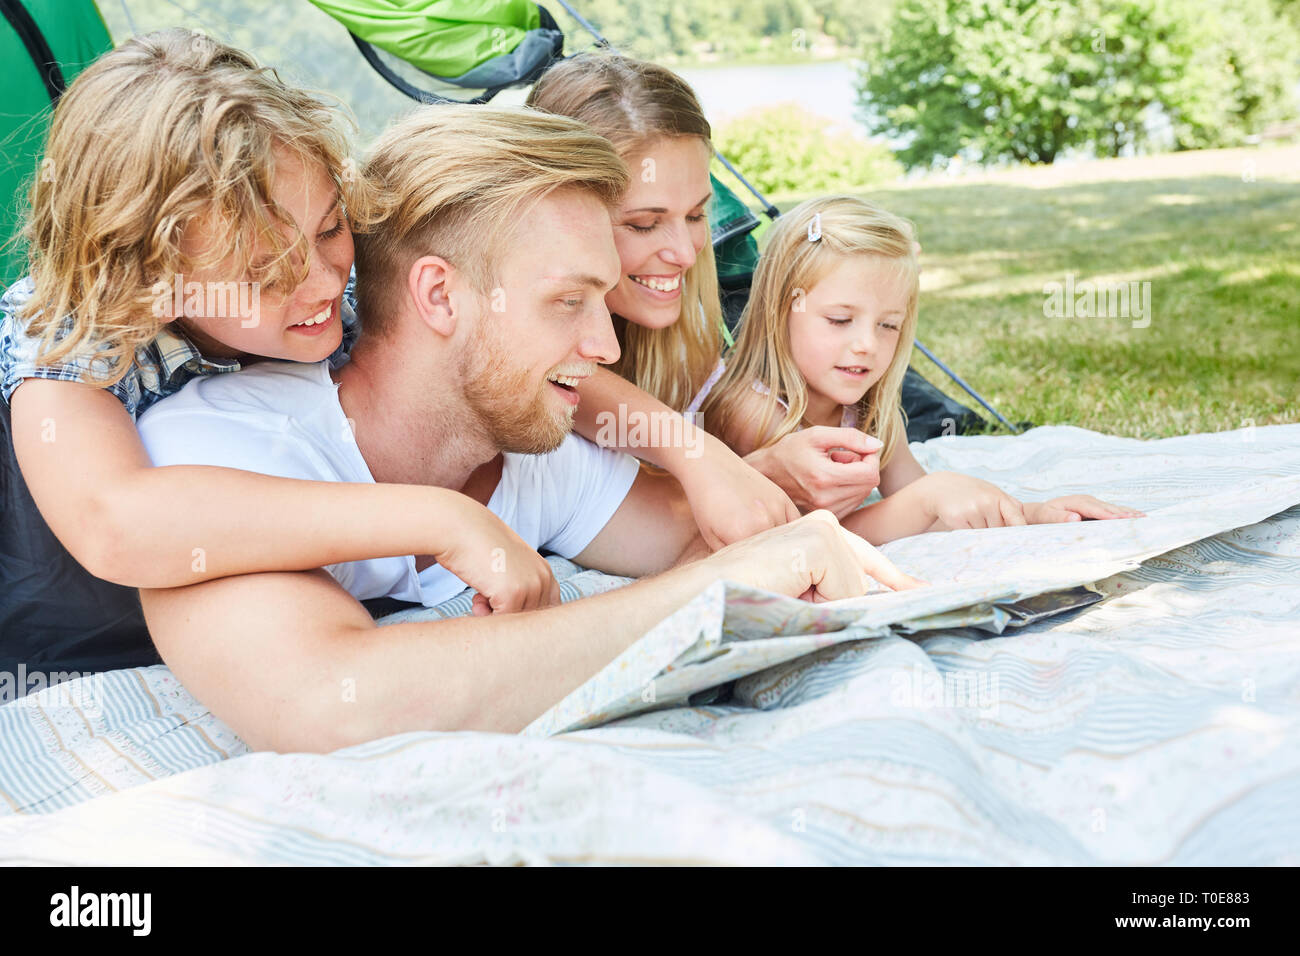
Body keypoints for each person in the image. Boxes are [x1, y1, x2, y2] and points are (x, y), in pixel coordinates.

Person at [135, 106, 920, 753]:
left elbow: (708, 541)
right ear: (440, 298)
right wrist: (707, 594)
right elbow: (328, 704)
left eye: (602, 302)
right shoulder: (217, 449)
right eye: (568, 302)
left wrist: (786, 512)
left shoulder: (526, 447)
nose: (607, 348)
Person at [0, 30, 563, 679]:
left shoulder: (336, 282)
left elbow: (506, 336)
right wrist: (438, 519)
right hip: (61, 643)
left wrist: (682, 457)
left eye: (330, 228)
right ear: (148, 273)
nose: (324, 283)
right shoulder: (69, 324)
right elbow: (114, 523)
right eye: (264, 274)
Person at [527, 52, 887, 528]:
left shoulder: (681, 339)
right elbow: (563, 378)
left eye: (697, 215)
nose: (685, 252)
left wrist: (757, 468)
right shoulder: (513, 343)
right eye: (643, 224)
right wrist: (706, 459)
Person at [702, 195, 1144, 542]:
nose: (867, 345)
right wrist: (928, 501)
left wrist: (1032, 514)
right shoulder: (752, 412)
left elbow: (920, 496)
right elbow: (800, 539)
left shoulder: (871, 411)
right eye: (839, 320)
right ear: (780, 310)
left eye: (889, 325)